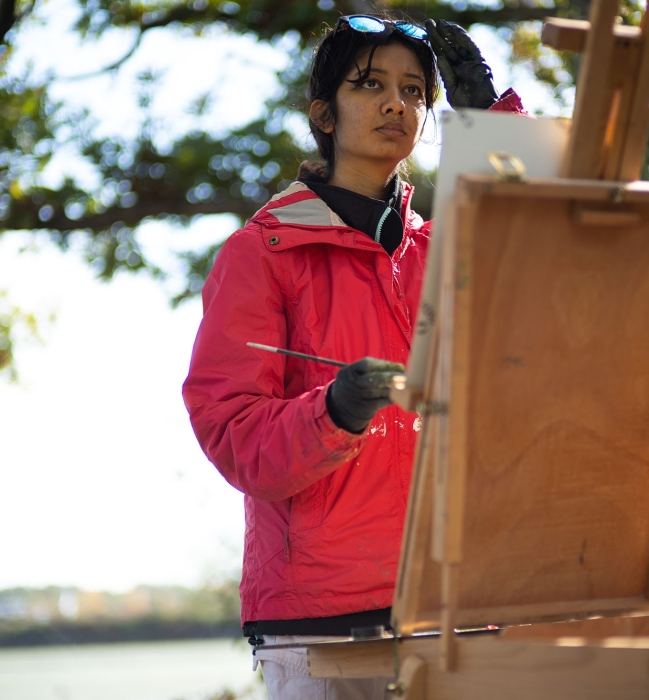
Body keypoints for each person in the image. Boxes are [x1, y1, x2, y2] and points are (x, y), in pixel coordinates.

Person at [182, 15, 526, 699]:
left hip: (459, 608)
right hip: (324, 627)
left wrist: (493, 128)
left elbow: (548, 261)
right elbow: (231, 435)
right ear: (323, 114)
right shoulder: (261, 253)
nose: (396, 103)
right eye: (369, 84)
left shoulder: (450, 251)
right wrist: (334, 412)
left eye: (414, 91)